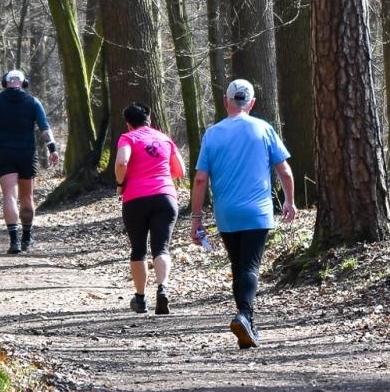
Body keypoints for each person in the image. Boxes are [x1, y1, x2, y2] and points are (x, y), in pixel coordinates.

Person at [189, 78, 296, 349]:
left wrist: (196, 218)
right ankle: (245, 316)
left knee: (238, 266)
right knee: (249, 266)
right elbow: (284, 171)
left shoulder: (212, 134)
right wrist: (289, 201)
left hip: (227, 214)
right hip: (257, 212)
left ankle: (246, 324)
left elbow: (200, 179)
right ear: (252, 103)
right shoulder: (264, 129)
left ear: (225, 101)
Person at [115, 102, 185, 314]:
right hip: (165, 198)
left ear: (128, 124)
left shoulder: (128, 138)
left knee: (138, 248)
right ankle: (163, 288)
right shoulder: (164, 138)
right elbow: (180, 170)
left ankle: (140, 298)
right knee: (161, 247)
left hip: (135, 198)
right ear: (149, 120)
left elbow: (121, 162)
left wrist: (120, 183)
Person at [0, 69, 59, 254]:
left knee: (9, 195)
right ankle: (27, 238)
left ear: (5, 83)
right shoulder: (33, 101)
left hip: (4, 152)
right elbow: (45, 128)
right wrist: (53, 149)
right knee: (27, 197)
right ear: (24, 83)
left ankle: (14, 241)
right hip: (27, 153)